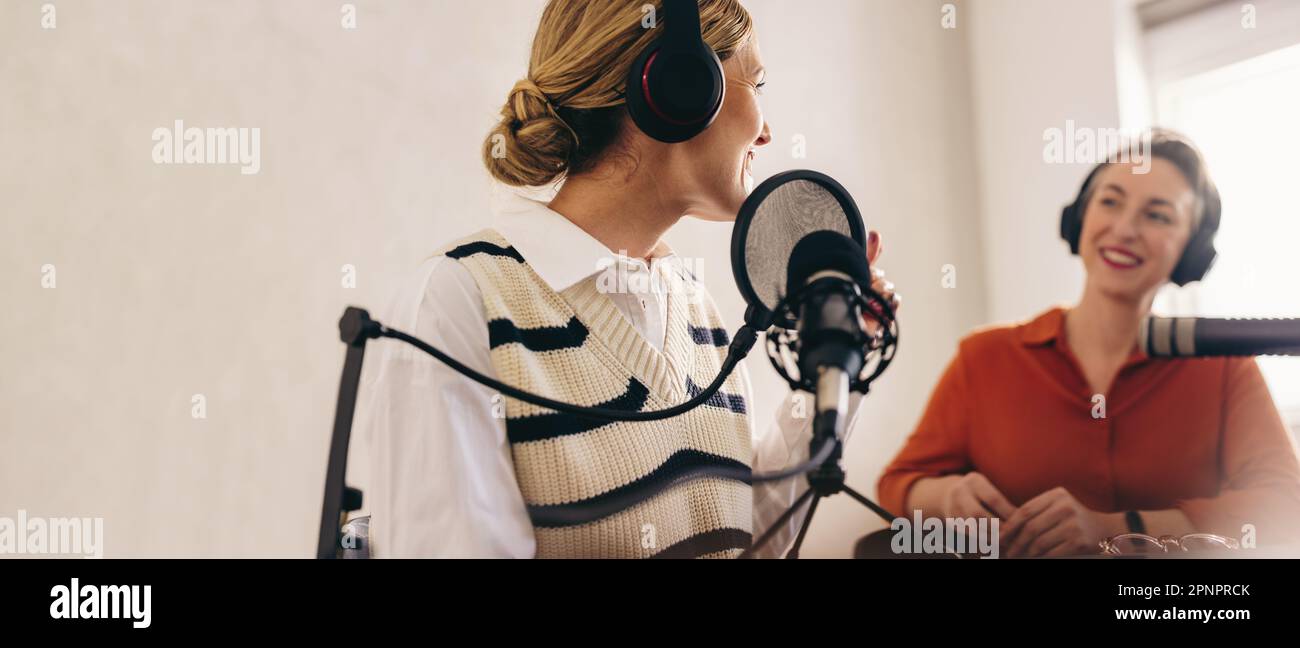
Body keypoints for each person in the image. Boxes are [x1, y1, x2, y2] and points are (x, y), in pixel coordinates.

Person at [362, 0, 899, 558]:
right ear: (679, 86)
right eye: (757, 84)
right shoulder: (458, 304)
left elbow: (738, 541)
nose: (768, 134)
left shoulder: (697, 311)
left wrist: (837, 363)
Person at [877, 130, 1300, 557]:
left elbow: (1288, 506)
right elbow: (897, 484)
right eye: (1110, 202)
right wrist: (946, 496)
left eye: (1157, 216)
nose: (1124, 229)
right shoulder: (985, 357)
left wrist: (1123, 529)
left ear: (1191, 251)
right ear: (1079, 219)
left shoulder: (1223, 366)